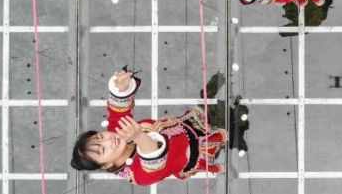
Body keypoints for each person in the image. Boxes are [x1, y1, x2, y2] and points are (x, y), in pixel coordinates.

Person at [70, 69, 227, 185]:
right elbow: (153, 157)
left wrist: (122, 88)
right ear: (106, 165)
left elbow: (118, 109)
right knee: (229, 137)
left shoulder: (117, 131)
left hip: (189, 126)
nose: (109, 141)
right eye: (102, 150)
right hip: (195, 153)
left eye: (100, 137)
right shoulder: (138, 176)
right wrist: (138, 137)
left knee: (218, 110)